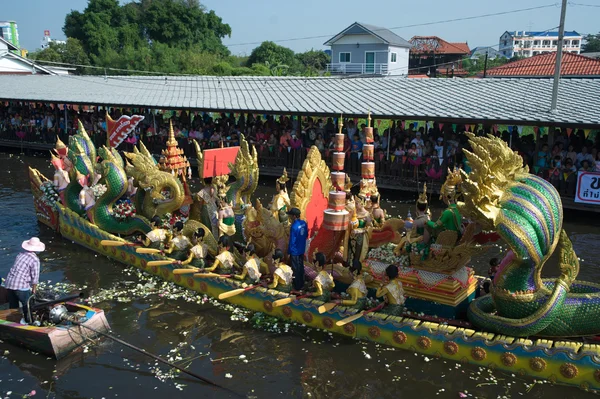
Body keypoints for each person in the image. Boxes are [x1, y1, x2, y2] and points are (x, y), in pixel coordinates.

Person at [4, 237, 45, 324]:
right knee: (28, 305)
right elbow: (35, 277)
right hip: (20, 286)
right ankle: (29, 322)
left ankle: (13, 321)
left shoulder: (20, 254)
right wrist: (34, 289)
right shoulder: (35, 260)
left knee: (13, 306)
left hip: (9, 283)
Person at [287, 207, 308, 291]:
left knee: (295, 269)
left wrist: (289, 252)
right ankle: (302, 283)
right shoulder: (303, 223)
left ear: (294, 216)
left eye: (291, 215)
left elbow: (292, 241)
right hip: (301, 249)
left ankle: (297, 286)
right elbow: (306, 234)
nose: (290, 217)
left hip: (294, 251)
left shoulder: (294, 226)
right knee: (301, 266)